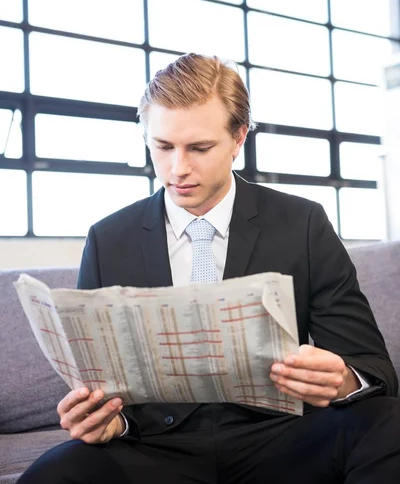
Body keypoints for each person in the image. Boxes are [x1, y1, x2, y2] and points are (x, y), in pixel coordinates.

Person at [19, 54, 400, 483]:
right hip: (156, 451)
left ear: (239, 139)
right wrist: (106, 421)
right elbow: (99, 386)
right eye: (163, 147)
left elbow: (374, 367)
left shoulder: (303, 223)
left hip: (284, 438)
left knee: (389, 423)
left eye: (199, 148)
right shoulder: (108, 239)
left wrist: (345, 380)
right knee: (55, 471)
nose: (178, 169)